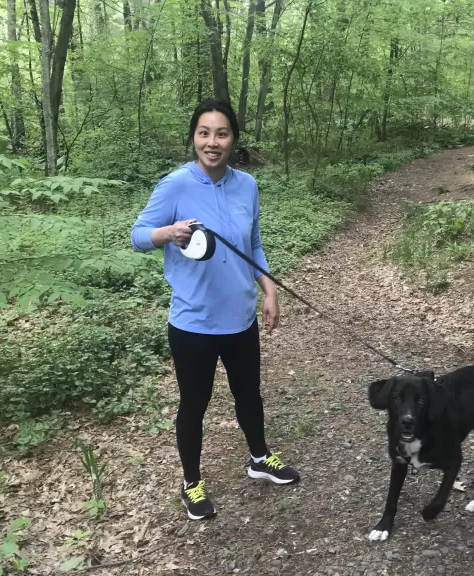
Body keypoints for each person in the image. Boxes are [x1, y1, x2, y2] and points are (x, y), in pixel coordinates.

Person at [130, 98, 300, 521]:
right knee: (194, 404)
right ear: (193, 137)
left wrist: (270, 290)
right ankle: (191, 483)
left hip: (240, 318)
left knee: (249, 395)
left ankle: (259, 459)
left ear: (233, 140)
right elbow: (136, 236)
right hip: (193, 322)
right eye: (204, 133)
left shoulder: (247, 185)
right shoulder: (175, 185)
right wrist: (167, 233)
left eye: (221, 133)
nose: (212, 142)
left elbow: (253, 245)